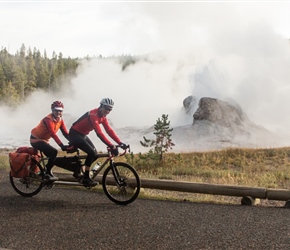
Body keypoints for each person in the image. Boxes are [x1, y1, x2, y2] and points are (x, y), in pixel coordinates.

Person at [69, 98, 127, 186]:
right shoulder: (93, 115)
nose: (108, 111)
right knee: (91, 153)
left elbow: (109, 130)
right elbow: (99, 133)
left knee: (95, 154)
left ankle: (80, 171)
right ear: (101, 106)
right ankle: (86, 178)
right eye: (106, 108)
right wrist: (111, 145)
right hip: (74, 134)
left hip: (83, 135)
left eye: (110, 109)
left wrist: (120, 142)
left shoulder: (103, 117)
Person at [30, 101, 72, 181]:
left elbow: (65, 133)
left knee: (52, 158)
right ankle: (47, 173)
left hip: (44, 140)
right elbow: (52, 133)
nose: (58, 112)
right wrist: (61, 145)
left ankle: (43, 173)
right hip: (35, 139)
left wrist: (73, 142)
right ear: (52, 110)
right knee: (54, 152)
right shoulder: (48, 119)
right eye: (56, 110)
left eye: (60, 111)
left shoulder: (60, 120)